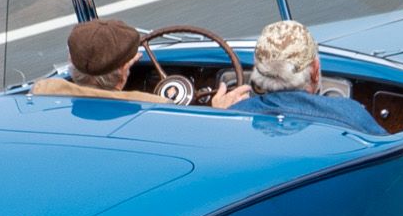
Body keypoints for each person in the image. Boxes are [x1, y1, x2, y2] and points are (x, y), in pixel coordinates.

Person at [32, 18, 250, 107]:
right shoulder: (156, 107)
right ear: (126, 68)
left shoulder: (43, 92)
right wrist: (216, 110)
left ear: (71, 59)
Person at [224, 19, 381, 133]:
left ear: (257, 71)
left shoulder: (232, 118)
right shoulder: (350, 115)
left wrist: (220, 114)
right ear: (314, 71)